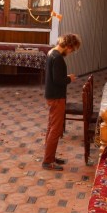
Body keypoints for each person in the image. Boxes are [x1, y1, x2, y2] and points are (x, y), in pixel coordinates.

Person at [42, 33, 81, 170]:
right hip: (57, 96)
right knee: (56, 129)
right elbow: (58, 80)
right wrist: (69, 78)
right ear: (68, 46)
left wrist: (65, 77)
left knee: (51, 127)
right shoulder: (57, 57)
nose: (70, 52)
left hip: (51, 95)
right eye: (72, 50)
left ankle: (50, 156)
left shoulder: (51, 52)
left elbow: (55, 76)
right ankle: (48, 161)